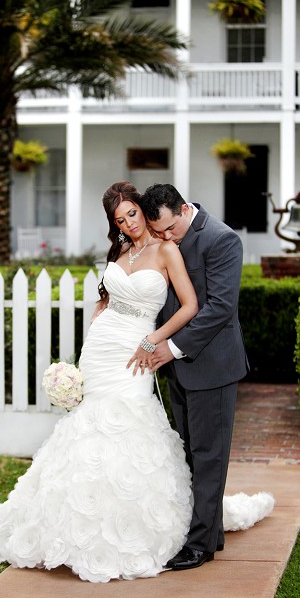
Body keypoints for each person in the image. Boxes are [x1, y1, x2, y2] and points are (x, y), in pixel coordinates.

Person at [0, 181, 271, 582]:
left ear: (163, 210)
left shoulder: (207, 241)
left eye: (134, 216)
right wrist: (98, 322)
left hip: (176, 355)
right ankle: (201, 528)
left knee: (188, 449)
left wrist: (159, 343)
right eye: (122, 219)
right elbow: (109, 295)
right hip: (109, 351)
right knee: (180, 449)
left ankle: (200, 541)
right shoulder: (126, 248)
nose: (145, 228)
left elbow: (213, 307)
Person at [130, 183, 249, 571]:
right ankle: (209, 534)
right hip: (176, 368)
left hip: (210, 364)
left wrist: (173, 347)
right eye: (158, 232)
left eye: (169, 230)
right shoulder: (167, 235)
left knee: (209, 457)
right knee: (190, 455)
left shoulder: (222, 239)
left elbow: (219, 307)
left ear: (183, 209)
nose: (165, 238)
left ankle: (199, 546)